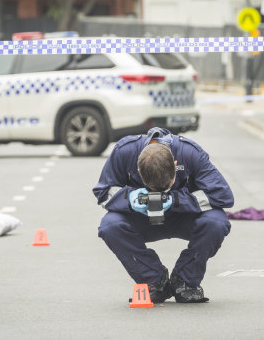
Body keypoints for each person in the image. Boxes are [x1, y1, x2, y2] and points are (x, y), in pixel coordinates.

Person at [93, 127, 234, 303]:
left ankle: (185, 281)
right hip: (141, 217)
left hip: (182, 215)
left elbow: (223, 195)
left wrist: (175, 199)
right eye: (151, 189)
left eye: (164, 187)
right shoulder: (125, 151)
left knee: (216, 222)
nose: (157, 195)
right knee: (110, 226)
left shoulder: (190, 153)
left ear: (175, 166)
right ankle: (154, 280)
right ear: (138, 168)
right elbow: (103, 192)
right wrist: (130, 198)